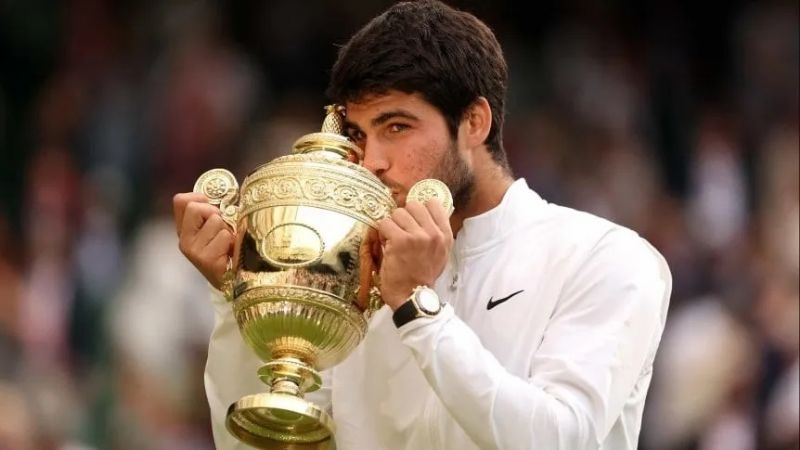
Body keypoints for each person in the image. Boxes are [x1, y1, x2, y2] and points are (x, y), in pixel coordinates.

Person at [172, 1, 672, 449]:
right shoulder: (352, 272)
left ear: (474, 123)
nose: (372, 161)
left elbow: (562, 439)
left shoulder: (606, 257)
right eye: (358, 135)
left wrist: (417, 309)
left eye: (396, 127)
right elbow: (263, 444)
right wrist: (238, 297)